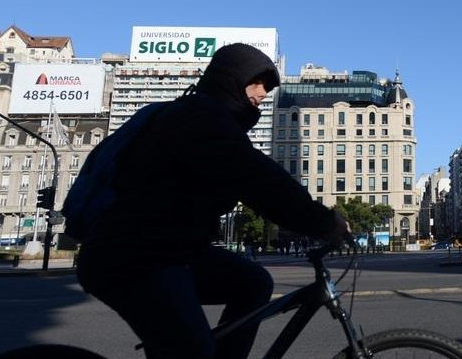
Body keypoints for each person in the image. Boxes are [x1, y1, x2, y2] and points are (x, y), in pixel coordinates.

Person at [75, 43, 349, 359]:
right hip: (133, 257)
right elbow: (259, 181)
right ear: (231, 78)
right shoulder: (200, 117)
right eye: (257, 82)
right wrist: (324, 222)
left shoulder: (211, 119)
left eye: (268, 88)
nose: (262, 93)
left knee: (254, 283)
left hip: (170, 250)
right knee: (193, 351)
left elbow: (255, 174)